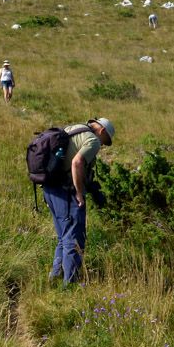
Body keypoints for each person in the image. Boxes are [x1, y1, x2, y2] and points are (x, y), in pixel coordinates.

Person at [45, 117, 114, 285]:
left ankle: (55, 276)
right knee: (73, 238)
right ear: (102, 131)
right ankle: (70, 283)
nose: (103, 145)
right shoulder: (92, 140)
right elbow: (77, 163)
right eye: (105, 141)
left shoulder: (73, 128)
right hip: (66, 192)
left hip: (50, 188)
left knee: (63, 236)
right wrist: (79, 192)